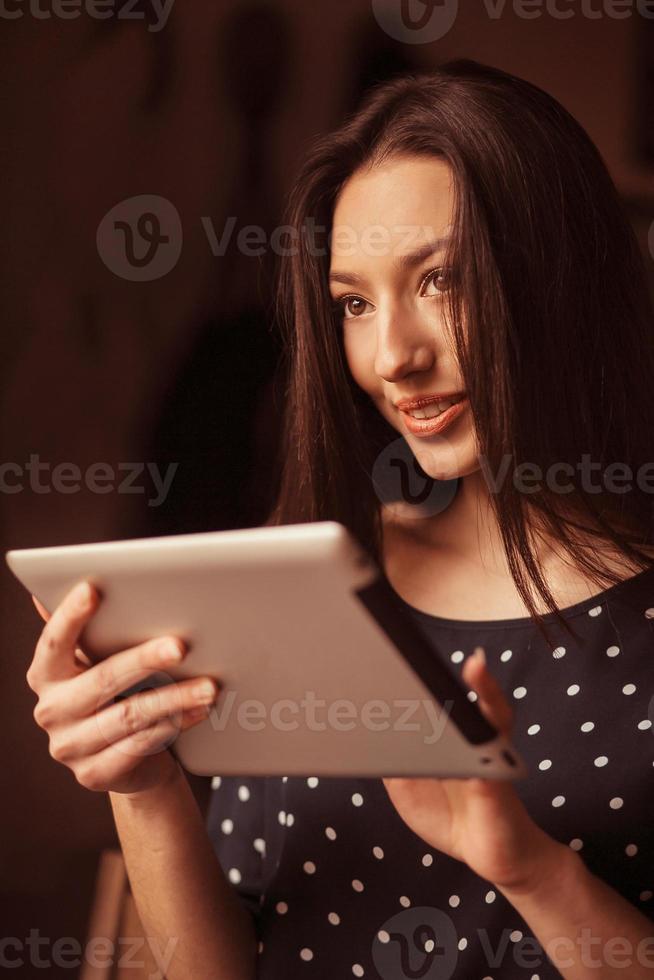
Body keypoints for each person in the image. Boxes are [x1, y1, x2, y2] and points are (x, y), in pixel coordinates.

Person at [27, 60, 654, 979]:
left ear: (561, 273)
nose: (392, 355)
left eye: (441, 281)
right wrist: (148, 786)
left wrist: (532, 871)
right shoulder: (316, 580)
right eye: (354, 303)